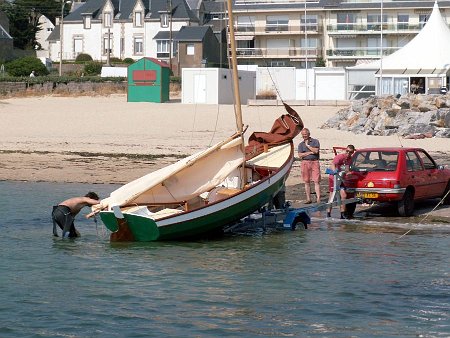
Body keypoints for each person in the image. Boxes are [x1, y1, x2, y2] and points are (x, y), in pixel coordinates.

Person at [327, 145, 355, 219]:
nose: (348, 153)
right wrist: (334, 171)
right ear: (345, 150)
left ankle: (342, 213)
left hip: (341, 179)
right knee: (332, 195)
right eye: (347, 151)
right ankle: (328, 213)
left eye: (350, 152)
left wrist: (349, 173)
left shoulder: (350, 159)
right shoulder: (340, 157)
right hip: (334, 178)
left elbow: (346, 169)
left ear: (352, 152)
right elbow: (333, 164)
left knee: (344, 196)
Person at [298, 128, 321, 204]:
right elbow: (300, 155)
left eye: (305, 134)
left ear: (309, 134)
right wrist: (310, 153)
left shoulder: (315, 141)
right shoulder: (301, 144)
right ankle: (308, 199)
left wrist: (308, 146)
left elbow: (316, 151)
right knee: (306, 181)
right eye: (303, 135)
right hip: (305, 163)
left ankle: (318, 199)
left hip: (314, 162)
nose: (304, 136)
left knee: (316, 181)